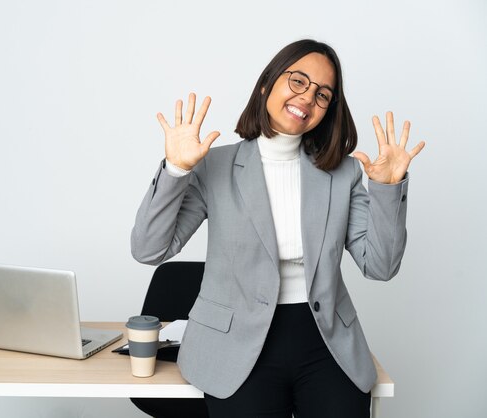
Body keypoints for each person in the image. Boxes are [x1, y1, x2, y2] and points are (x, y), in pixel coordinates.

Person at [131, 39, 425, 418]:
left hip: (325, 340)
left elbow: (381, 266)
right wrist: (176, 169)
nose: (307, 98)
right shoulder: (215, 166)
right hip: (234, 346)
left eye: (323, 94)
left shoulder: (344, 173)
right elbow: (149, 249)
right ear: (268, 83)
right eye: (298, 81)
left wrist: (386, 189)